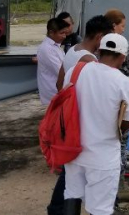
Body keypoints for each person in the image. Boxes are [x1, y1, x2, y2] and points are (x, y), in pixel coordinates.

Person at [63, 34, 129, 215]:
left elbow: (64, 102)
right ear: (123, 57)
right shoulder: (123, 83)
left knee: (72, 195)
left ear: (98, 51)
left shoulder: (75, 71)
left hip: (73, 152)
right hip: (102, 157)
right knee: (101, 208)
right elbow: (127, 122)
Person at [48, 15, 114, 215]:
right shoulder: (89, 60)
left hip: (67, 118)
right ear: (100, 36)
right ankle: (60, 208)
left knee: (71, 168)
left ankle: (58, 208)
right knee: (77, 171)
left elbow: (59, 84)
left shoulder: (72, 51)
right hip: (79, 121)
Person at [104, 9, 129, 205]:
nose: (123, 30)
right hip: (118, 99)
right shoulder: (121, 44)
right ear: (114, 26)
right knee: (120, 147)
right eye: (122, 26)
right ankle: (117, 192)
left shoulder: (97, 43)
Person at [36, 17, 69, 105]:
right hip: (52, 92)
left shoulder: (56, 46)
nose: (64, 36)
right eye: (61, 33)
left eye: (65, 33)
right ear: (51, 32)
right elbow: (60, 72)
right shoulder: (47, 49)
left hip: (57, 90)